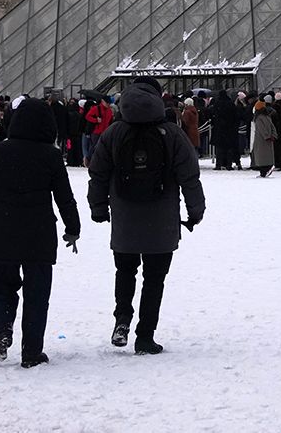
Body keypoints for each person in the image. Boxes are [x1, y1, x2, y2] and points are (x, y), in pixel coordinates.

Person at [87, 78, 205, 355]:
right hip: (161, 219)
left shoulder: (114, 133)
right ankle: (145, 336)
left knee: (124, 272)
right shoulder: (171, 134)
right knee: (154, 280)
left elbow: (98, 173)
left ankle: (122, 321)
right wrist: (195, 210)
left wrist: (98, 207)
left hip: (125, 217)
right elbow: (190, 176)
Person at [0, 95, 81, 367]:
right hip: (39, 232)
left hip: (3, 229)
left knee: (2, 286)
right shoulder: (51, 155)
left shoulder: (1, 151)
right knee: (37, 294)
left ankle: (3, 328)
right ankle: (32, 352)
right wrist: (73, 228)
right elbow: (64, 197)